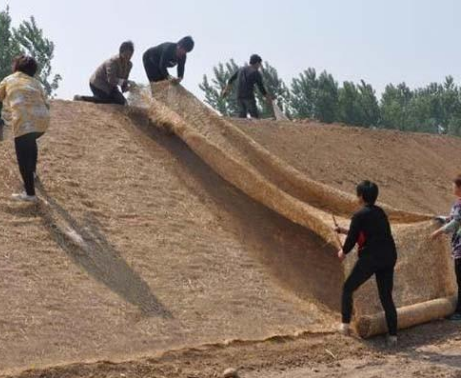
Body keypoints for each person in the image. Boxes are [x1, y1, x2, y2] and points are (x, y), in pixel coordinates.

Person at [335, 181, 398, 345]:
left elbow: (351, 240)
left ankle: (345, 325)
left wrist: (343, 252)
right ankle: (393, 336)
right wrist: (344, 230)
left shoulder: (359, 215)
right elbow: (371, 232)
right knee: (386, 296)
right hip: (388, 256)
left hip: (371, 257)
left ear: (361, 196)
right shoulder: (380, 212)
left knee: (348, 287)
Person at [0, 55, 50, 202]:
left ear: (16, 67)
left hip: (24, 121)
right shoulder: (36, 83)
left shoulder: (9, 79)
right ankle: (33, 172)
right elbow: (46, 102)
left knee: (23, 159)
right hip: (42, 122)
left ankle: (30, 194)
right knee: (31, 139)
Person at [431, 175, 461, 321]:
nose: (453, 188)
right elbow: (452, 219)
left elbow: (456, 222)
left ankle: (460, 313)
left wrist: (440, 231)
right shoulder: (457, 203)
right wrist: (441, 219)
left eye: (454, 185)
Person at [74, 41, 134, 105]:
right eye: (126, 54)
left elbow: (123, 81)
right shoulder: (112, 62)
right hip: (97, 84)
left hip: (111, 87)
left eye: (130, 55)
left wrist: (129, 88)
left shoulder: (129, 65)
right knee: (105, 100)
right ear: (121, 52)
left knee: (122, 102)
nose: (128, 57)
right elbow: (111, 80)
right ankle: (81, 98)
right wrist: (126, 82)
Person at [222, 54, 272, 119]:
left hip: (239, 97)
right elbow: (261, 87)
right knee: (254, 117)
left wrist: (226, 90)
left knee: (242, 118)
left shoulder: (241, 69)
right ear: (257, 63)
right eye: (259, 64)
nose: (259, 66)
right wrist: (268, 98)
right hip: (249, 97)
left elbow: (231, 79)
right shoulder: (256, 72)